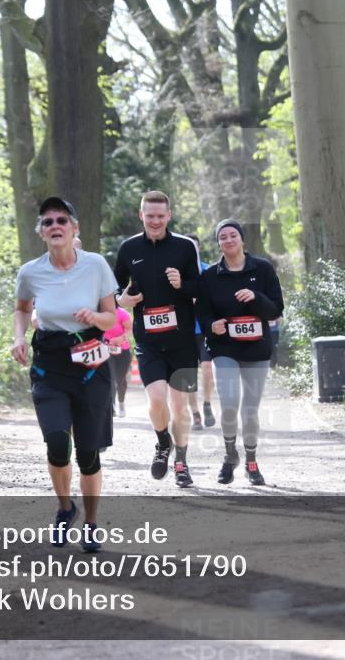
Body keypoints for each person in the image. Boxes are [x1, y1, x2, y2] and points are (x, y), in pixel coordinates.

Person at [12, 197, 118, 552]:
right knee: (58, 443)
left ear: (74, 228)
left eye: (61, 220)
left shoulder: (96, 265)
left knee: (88, 453)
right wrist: (18, 338)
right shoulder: (30, 271)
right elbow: (22, 308)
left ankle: (90, 523)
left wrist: (93, 317)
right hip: (50, 365)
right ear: (42, 232)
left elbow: (111, 318)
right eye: (47, 222)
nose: (54, 226)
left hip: (90, 366)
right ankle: (64, 507)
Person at [114, 190, 201, 488]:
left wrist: (183, 284)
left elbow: (200, 289)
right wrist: (121, 299)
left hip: (183, 342)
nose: (155, 221)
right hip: (149, 341)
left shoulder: (186, 248)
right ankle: (163, 442)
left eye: (160, 216)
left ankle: (181, 463)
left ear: (169, 216)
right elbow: (113, 291)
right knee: (156, 400)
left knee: (179, 407)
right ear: (141, 215)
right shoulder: (127, 249)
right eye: (149, 215)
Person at [196, 219, 284, 486]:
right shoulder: (210, 276)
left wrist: (256, 297)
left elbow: (276, 310)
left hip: (257, 348)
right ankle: (230, 455)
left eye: (233, 235)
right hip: (225, 348)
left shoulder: (263, 269)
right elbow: (202, 312)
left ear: (242, 239)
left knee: (250, 410)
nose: (228, 240)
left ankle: (251, 460)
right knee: (230, 403)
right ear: (218, 243)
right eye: (223, 237)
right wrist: (213, 325)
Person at [185, 234, 216, 431]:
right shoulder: (176, 272)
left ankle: (207, 404)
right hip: (185, 332)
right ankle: (194, 413)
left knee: (206, 368)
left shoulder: (208, 271)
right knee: (188, 375)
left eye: (194, 247)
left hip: (204, 330)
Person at [104, 305, 133, 418]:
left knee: (120, 380)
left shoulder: (122, 313)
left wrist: (121, 338)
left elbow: (130, 329)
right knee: (109, 378)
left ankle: (121, 403)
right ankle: (112, 406)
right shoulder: (100, 312)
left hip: (123, 350)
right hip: (106, 350)